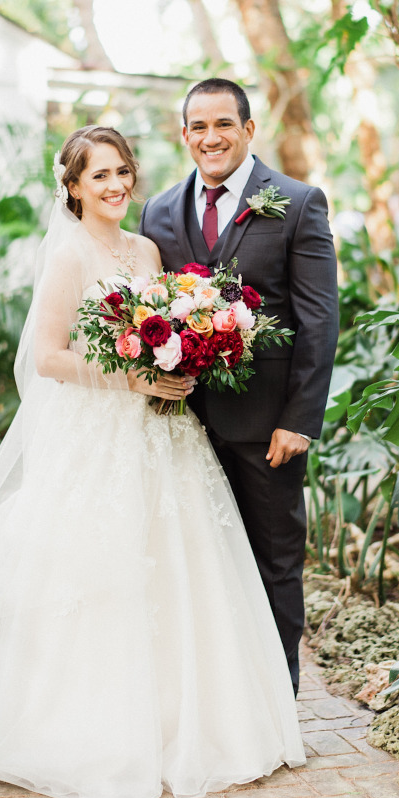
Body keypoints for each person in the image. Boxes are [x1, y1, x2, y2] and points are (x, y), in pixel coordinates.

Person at [0, 125, 305, 798]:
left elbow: (159, 326)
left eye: (122, 172)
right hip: (97, 436)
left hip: (162, 435)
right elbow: (47, 357)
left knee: (179, 569)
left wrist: (185, 362)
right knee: (100, 577)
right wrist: (132, 382)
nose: (115, 186)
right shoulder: (68, 257)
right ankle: (96, 727)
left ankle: (186, 722)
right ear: (73, 187)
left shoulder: (146, 248)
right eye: (99, 176)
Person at [139, 80, 339, 695]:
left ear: (249, 130)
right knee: (199, 565)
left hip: (266, 427)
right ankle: (217, 700)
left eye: (223, 124)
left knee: (275, 562)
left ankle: (277, 700)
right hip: (183, 426)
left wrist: (300, 419)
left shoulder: (298, 203)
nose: (210, 138)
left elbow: (319, 318)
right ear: (184, 135)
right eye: (197, 127)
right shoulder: (159, 212)